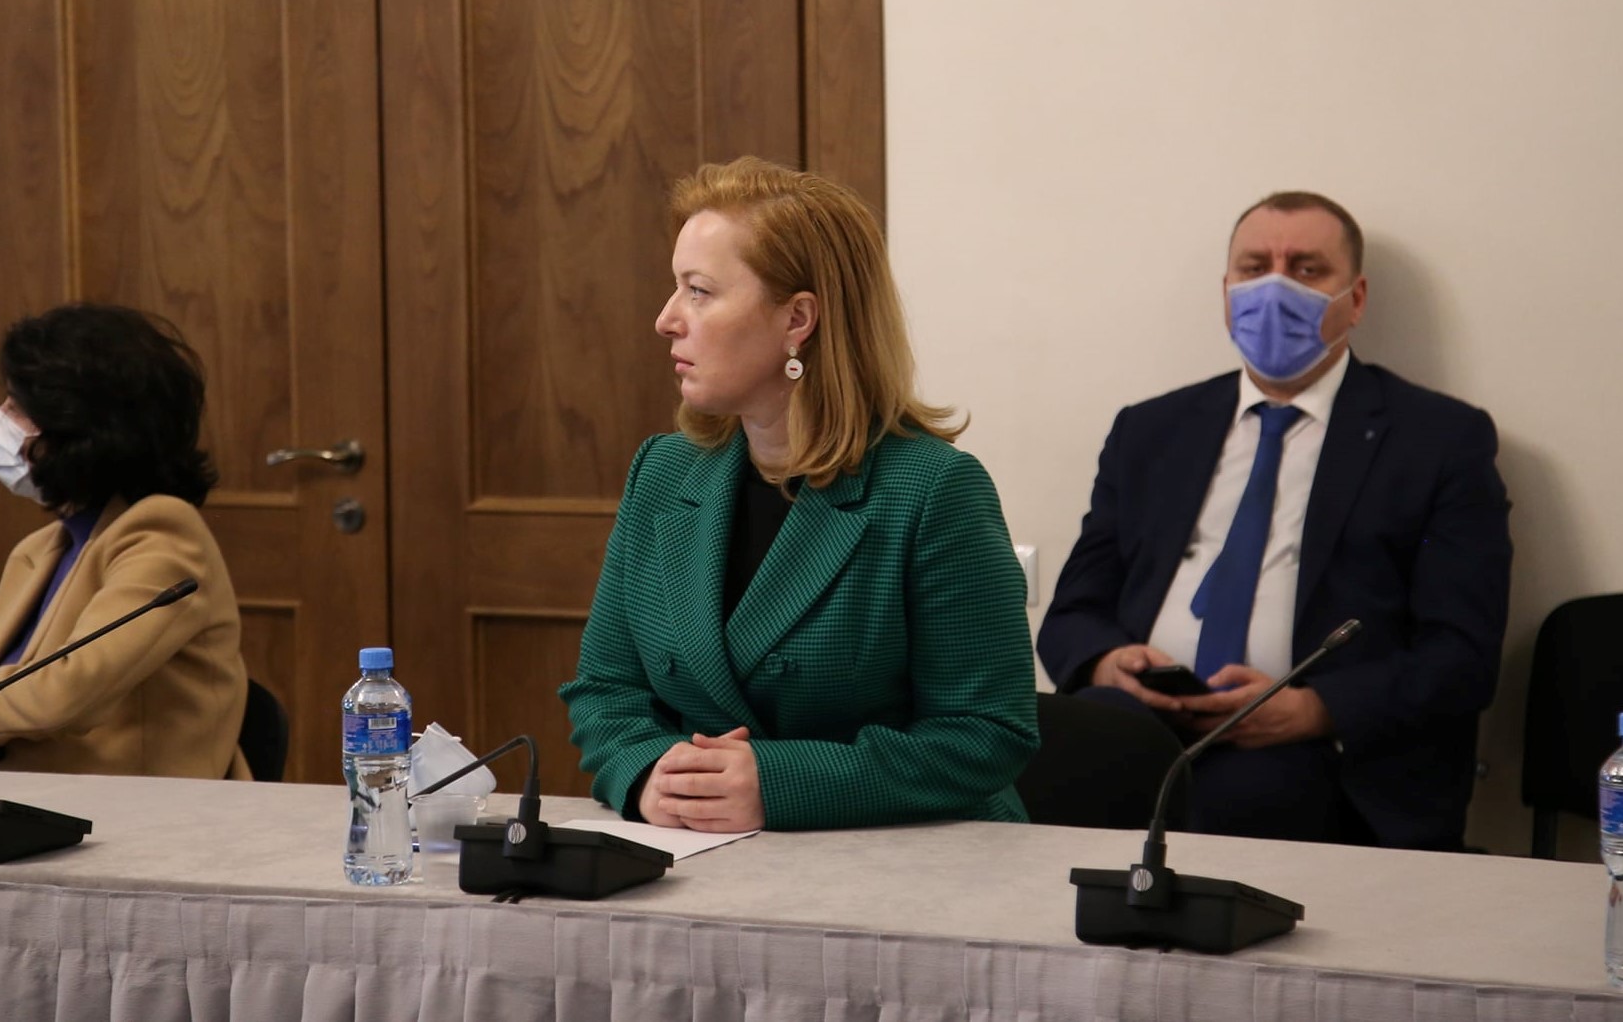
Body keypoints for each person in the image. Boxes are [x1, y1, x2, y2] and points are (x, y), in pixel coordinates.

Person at [559, 157, 1038, 832]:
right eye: (676, 289)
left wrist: (782, 783)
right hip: (702, 854)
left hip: (905, 861)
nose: (666, 319)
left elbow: (986, 734)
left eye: (698, 292)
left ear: (797, 319)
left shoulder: (933, 490)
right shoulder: (663, 471)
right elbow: (605, 689)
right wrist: (645, 774)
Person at [1037, 191, 1511, 850]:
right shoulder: (1150, 430)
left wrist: (1314, 709)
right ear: (1226, 293)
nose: (1275, 288)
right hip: (1145, 722)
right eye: (1254, 268)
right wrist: (1105, 663)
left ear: (1356, 298)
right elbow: (1072, 613)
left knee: (1231, 803)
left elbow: (1461, 655)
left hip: (1311, 750)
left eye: (1306, 269)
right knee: (1054, 752)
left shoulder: (1438, 440)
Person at [0, 303, 250, 779]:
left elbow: (67, 693)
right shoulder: (40, 549)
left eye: (16, 407)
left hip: (129, 814)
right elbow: (13, 693)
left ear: (79, 427)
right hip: (22, 807)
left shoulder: (161, 534)